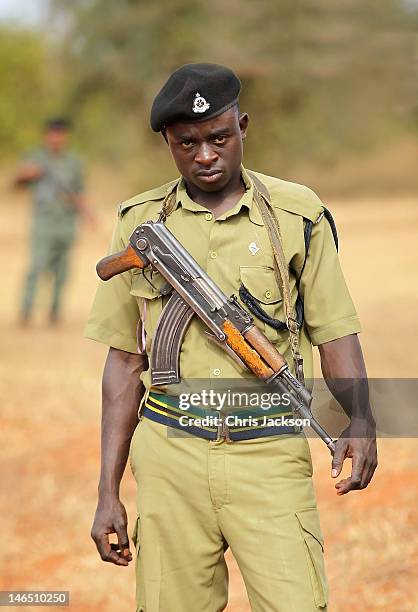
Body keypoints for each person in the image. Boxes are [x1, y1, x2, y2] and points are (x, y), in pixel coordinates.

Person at [85, 64, 377, 611]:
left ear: (243, 127)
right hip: (170, 457)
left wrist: (359, 418)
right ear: (168, 144)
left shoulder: (296, 215)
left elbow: (336, 331)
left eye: (219, 137)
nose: (205, 155)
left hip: (268, 453)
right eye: (186, 143)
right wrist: (107, 491)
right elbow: (123, 362)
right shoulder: (142, 221)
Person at [16, 117, 90, 324]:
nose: (56, 138)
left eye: (61, 134)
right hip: (44, 222)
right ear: (46, 135)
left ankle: (55, 312)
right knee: (37, 266)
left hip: (66, 222)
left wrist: (87, 215)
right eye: (53, 133)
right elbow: (16, 182)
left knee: (62, 270)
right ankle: (26, 310)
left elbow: (79, 193)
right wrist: (28, 174)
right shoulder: (35, 157)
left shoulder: (74, 162)